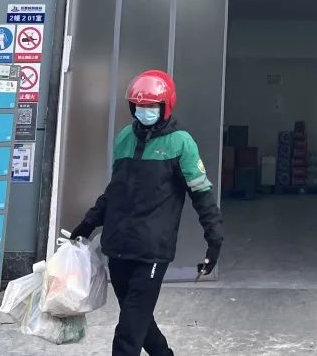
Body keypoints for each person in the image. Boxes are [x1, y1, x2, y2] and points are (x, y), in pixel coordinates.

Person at [69, 69, 223, 356]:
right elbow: (115, 191)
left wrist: (214, 240)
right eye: (139, 105)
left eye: (152, 106)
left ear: (165, 107)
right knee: (138, 318)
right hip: (118, 247)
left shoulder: (181, 143)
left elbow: (201, 194)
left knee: (128, 332)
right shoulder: (125, 137)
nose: (145, 111)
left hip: (152, 250)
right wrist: (89, 223)